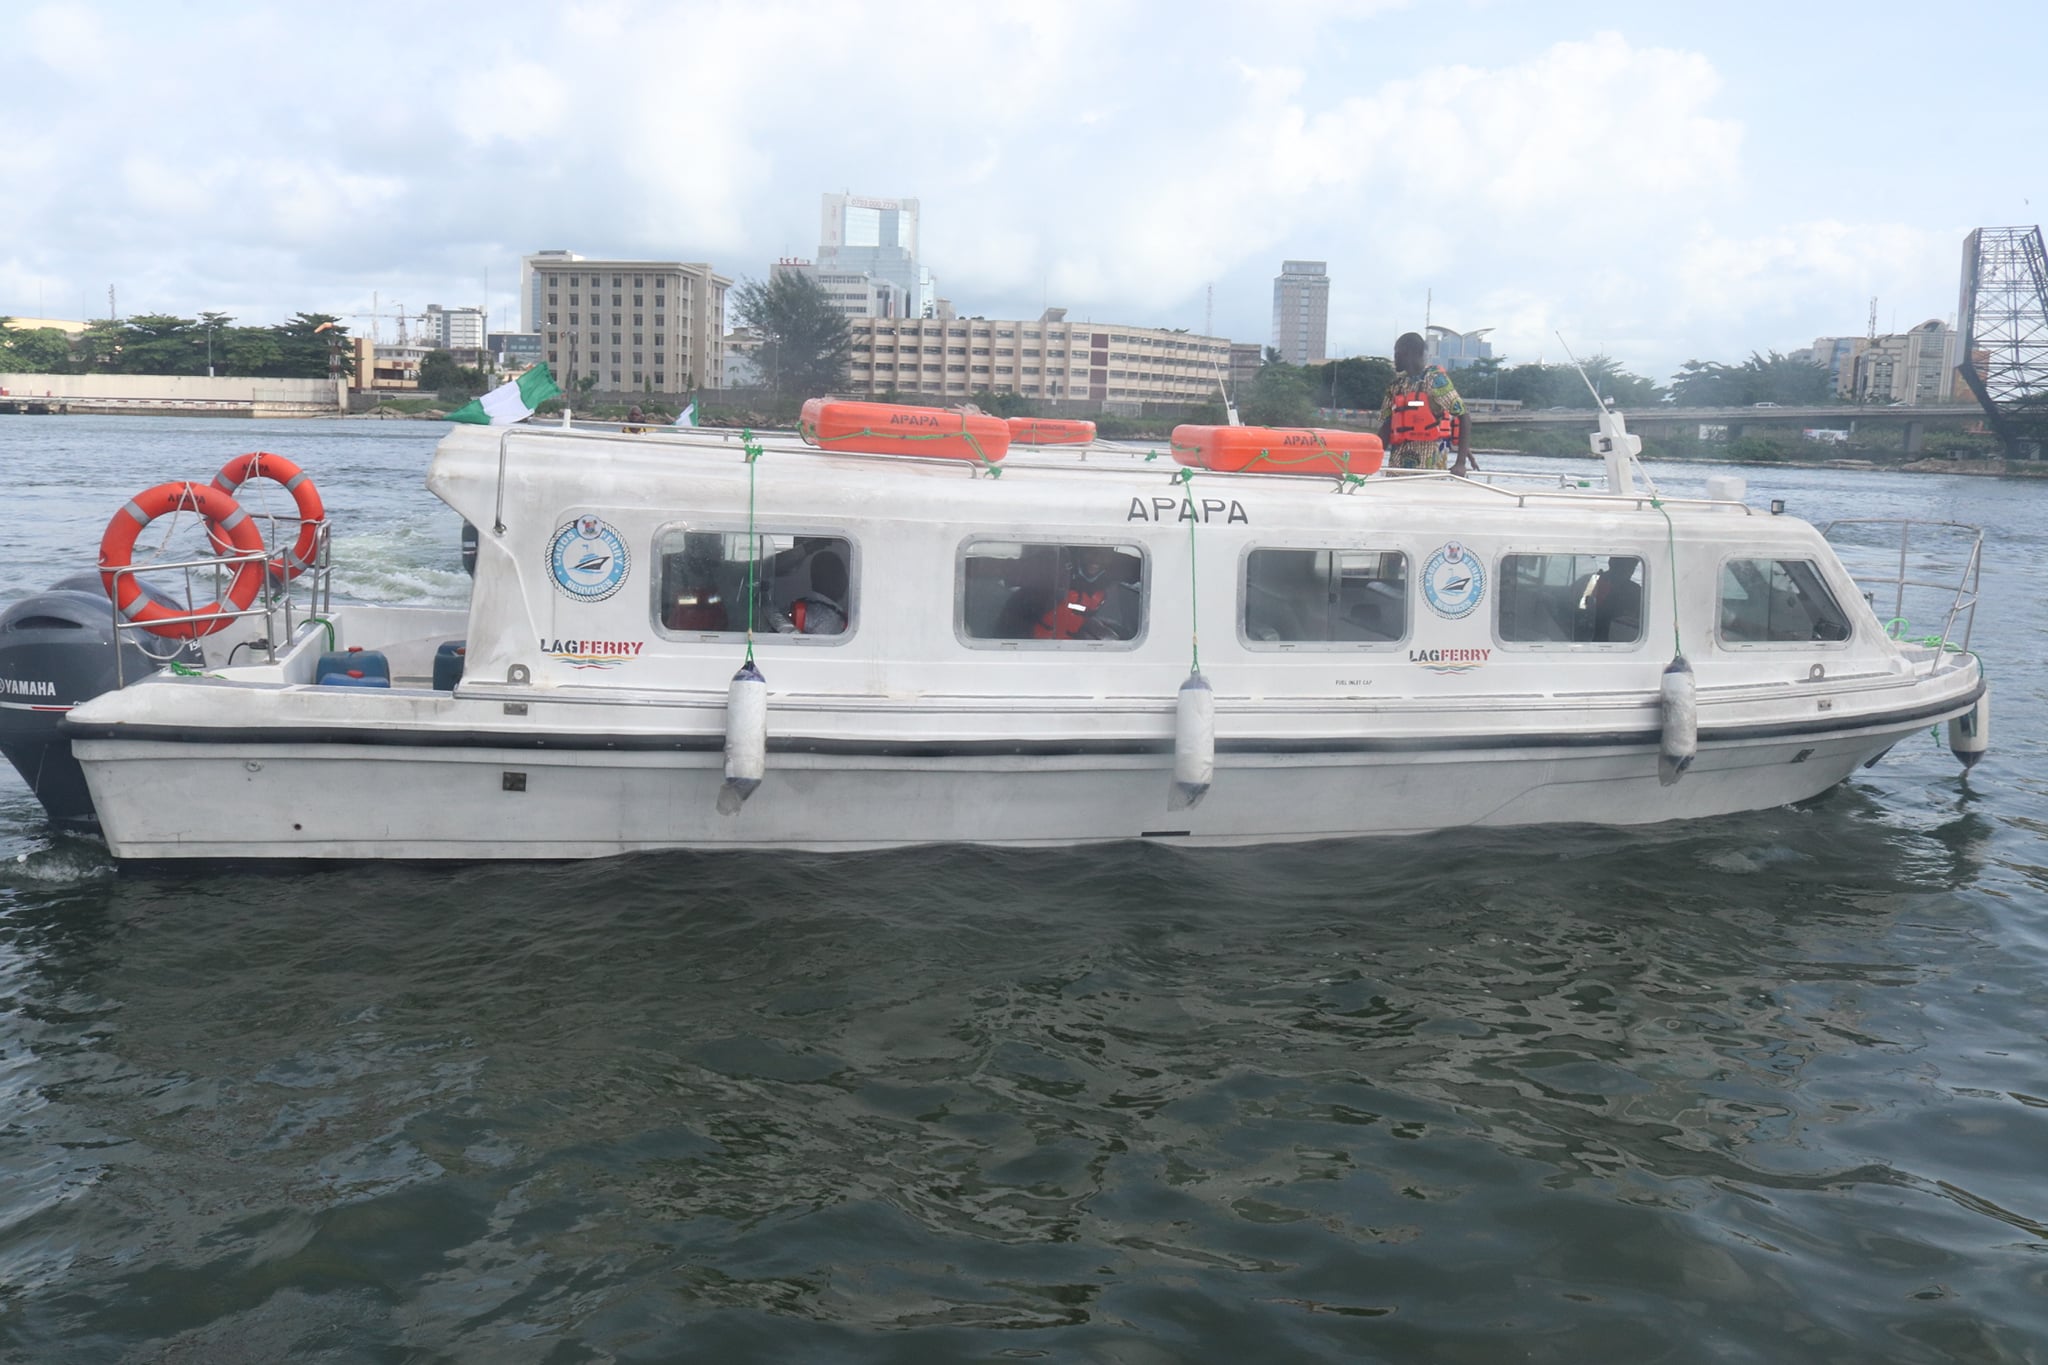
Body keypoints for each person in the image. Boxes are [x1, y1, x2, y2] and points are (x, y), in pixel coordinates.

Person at [1379, 332, 1474, 474]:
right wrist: (1371, 457)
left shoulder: (1435, 380)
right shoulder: (1396, 385)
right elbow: (1386, 427)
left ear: (1408, 354)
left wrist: (1460, 462)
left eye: (1397, 354)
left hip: (1430, 468)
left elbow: (1463, 415)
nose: (1395, 358)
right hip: (1397, 467)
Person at [776, 548, 848, 635]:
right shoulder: (829, 618)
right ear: (833, 580)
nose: (846, 581)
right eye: (841, 575)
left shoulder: (798, 605)